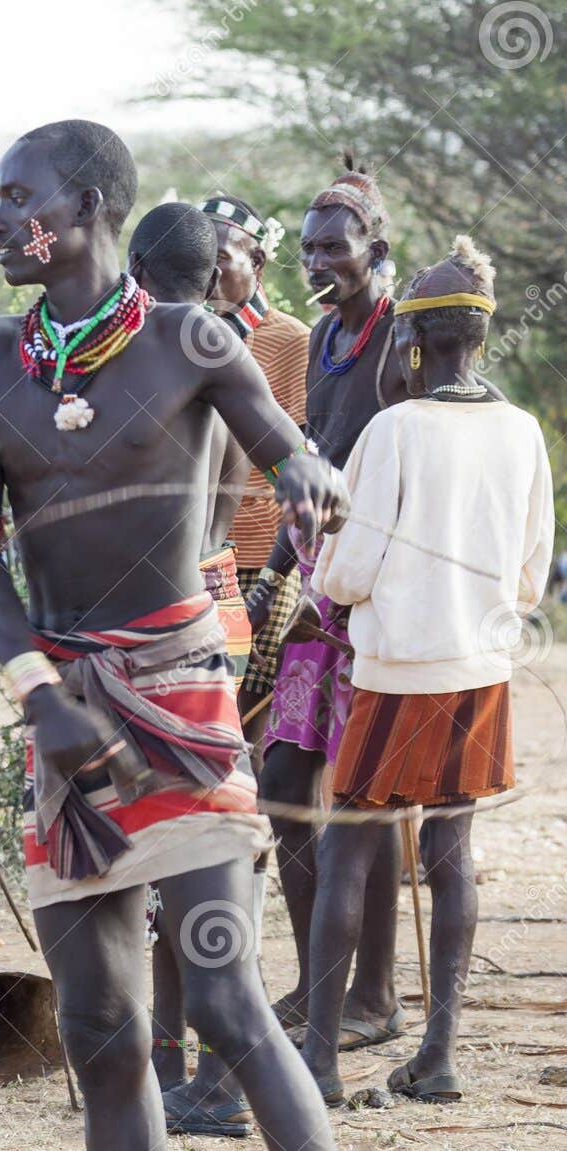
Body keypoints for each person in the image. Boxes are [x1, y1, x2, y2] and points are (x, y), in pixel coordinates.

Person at [0, 120, 412, 1151]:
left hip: (185, 706)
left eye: (15, 198)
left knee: (224, 999)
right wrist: (37, 697)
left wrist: (316, 478)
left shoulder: (192, 341)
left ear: (84, 208)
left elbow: (284, 448)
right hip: (64, 721)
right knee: (101, 1033)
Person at [304, 239, 553, 1105]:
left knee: (348, 855)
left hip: (394, 671)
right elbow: (530, 576)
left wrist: (333, 581)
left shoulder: (394, 430)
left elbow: (347, 570)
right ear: (478, 341)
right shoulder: (523, 432)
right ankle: (437, 1055)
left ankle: (322, 1064)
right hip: (477, 670)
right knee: (452, 853)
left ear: (412, 346)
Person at [244, 165, 410, 1059]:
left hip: (378, 595)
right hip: (313, 586)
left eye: (333, 247)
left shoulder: (400, 342)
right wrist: (273, 573)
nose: (316, 261)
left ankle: (373, 994)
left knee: (367, 792)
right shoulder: (321, 342)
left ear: (375, 252)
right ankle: (320, 981)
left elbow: (410, 465)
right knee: (284, 783)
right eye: (306, 246)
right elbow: (308, 463)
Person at [123, 204, 257, 1105]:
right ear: (215, 279)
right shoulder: (223, 354)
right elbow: (241, 484)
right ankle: (193, 1067)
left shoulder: (142, 358)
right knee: (211, 844)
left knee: (165, 848)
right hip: (224, 602)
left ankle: (191, 1071)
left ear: (131, 269)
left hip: (156, 620)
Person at [202, 195, 311, 731]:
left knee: (247, 711)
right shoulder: (184, 339)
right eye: (200, 256)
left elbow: (299, 466)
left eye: (221, 254)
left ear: (258, 263)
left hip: (264, 558)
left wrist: (270, 580)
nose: (209, 269)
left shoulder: (291, 342)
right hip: (198, 554)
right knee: (206, 702)